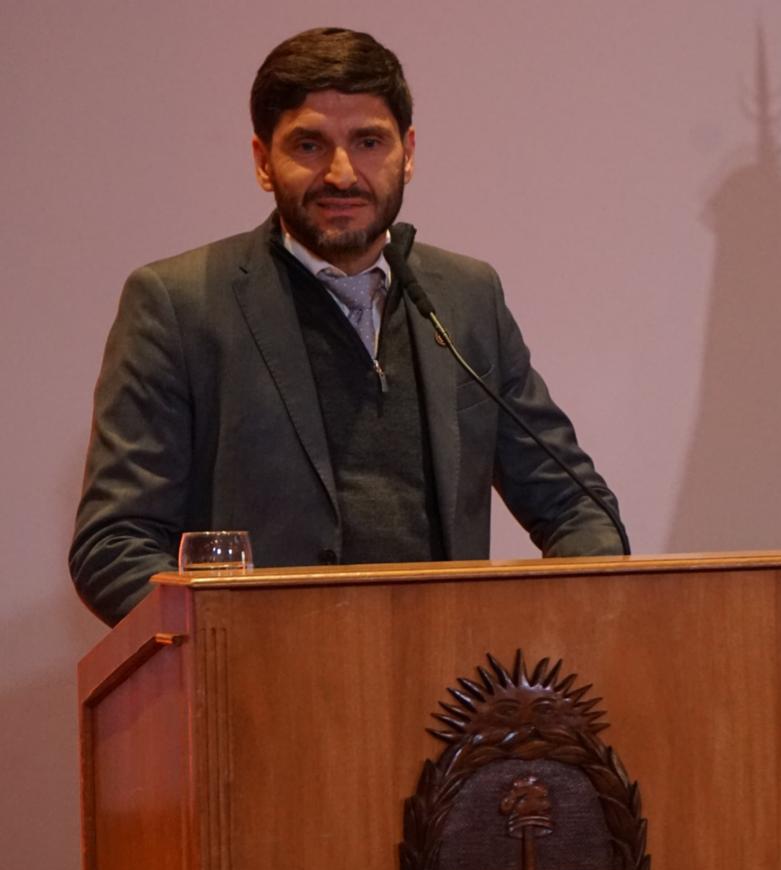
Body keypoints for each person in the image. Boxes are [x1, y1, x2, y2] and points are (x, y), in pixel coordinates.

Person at [70, 27, 623, 626]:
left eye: (368, 142)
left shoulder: (466, 297)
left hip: (452, 677)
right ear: (263, 161)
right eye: (309, 145)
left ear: (408, 152)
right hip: (265, 673)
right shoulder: (181, 305)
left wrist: (552, 629)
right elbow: (113, 545)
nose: (341, 173)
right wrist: (233, 649)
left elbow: (578, 507)